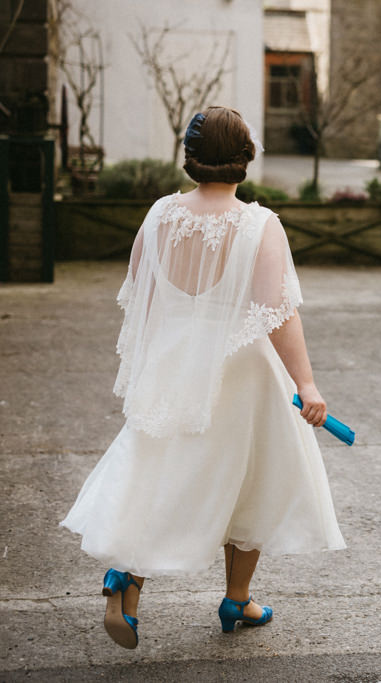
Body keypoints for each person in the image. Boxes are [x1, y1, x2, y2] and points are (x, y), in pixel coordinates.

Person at [60, 106, 346, 649]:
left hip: (172, 361)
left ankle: (127, 578)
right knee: (253, 478)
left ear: (189, 157)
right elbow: (278, 312)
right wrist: (306, 384)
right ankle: (237, 598)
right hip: (238, 368)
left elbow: (141, 299)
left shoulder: (159, 215)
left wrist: (158, 364)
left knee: (162, 472)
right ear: (246, 157)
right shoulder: (259, 224)